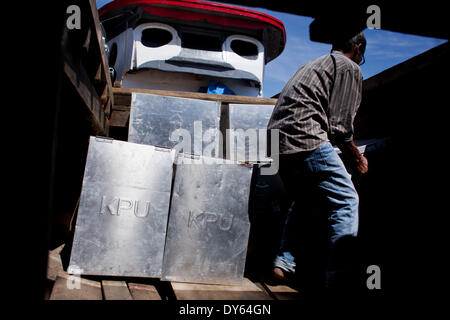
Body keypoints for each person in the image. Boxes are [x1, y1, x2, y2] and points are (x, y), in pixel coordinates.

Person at [267, 31, 369, 290]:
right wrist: (357, 158)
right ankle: (339, 279)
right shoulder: (348, 66)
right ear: (357, 49)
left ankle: (284, 262)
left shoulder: (313, 63)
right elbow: (340, 126)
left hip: (277, 143)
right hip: (305, 136)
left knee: (304, 201)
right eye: (362, 56)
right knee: (347, 200)